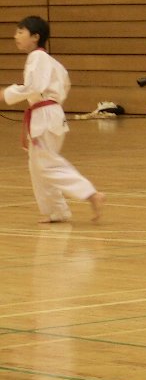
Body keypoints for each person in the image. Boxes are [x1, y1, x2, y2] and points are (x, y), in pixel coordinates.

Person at [4, 16, 105, 224]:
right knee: (38, 165)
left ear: (35, 36)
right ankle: (56, 211)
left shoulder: (37, 57)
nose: (16, 36)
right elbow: (64, 83)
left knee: (46, 164)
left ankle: (90, 193)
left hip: (45, 115)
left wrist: (7, 94)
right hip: (49, 113)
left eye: (21, 32)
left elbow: (33, 87)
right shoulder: (51, 62)